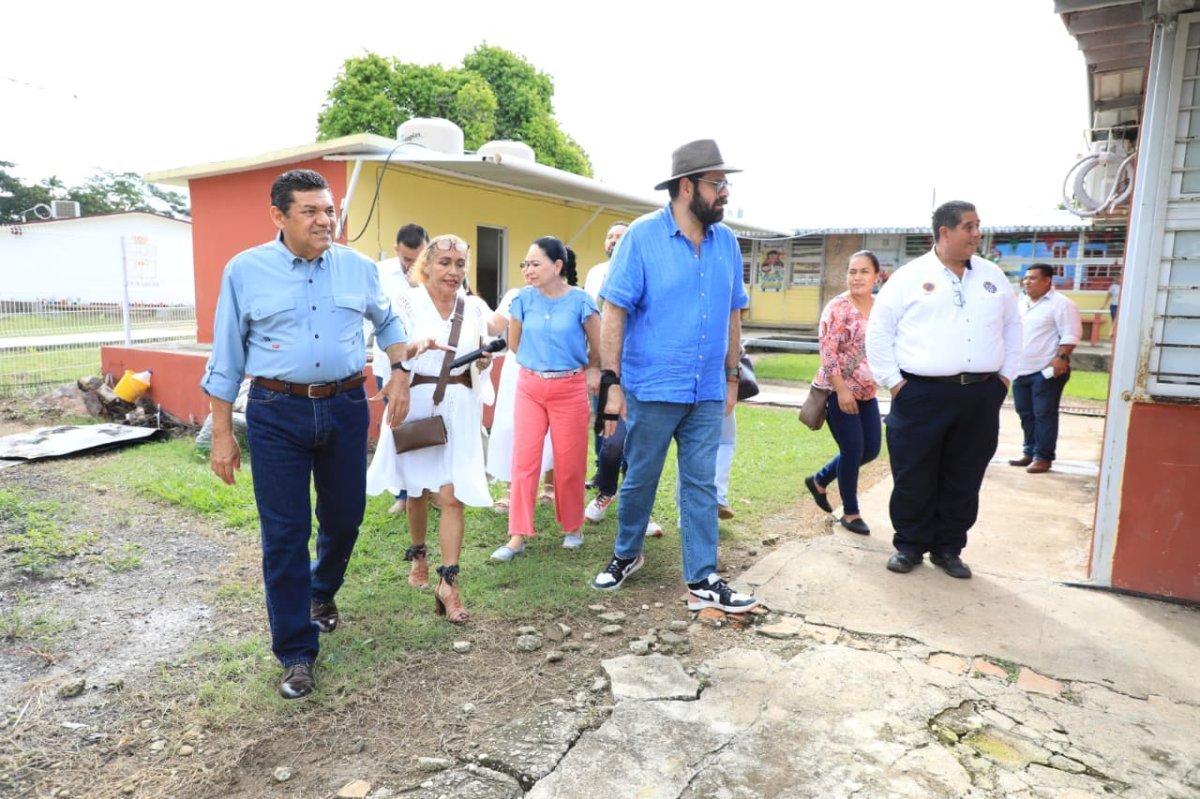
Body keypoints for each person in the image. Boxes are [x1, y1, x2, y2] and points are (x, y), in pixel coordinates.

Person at [202, 168, 433, 699]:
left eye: (329, 210)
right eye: (310, 211)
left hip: (346, 405)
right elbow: (226, 356)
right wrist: (221, 433)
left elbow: (388, 323)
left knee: (346, 517)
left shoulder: (357, 268)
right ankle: (296, 652)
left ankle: (321, 589)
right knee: (285, 533)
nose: (325, 220)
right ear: (278, 216)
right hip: (275, 410)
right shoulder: (245, 271)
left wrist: (399, 372)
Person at [590, 139, 758, 614]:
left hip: (707, 389)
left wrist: (732, 375)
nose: (725, 192)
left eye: (725, 184)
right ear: (687, 186)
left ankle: (703, 577)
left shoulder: (727, 243)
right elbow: (614, 310)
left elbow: (734, 312)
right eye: (716, 184)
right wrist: (612, 382)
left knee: (701, 483)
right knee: (640, 477)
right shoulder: (642, 237)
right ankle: (627, 553)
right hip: (653, 386)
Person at [866, 200, 1021, 580]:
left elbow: (1013, 327)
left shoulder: (992, 276)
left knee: (964, 475)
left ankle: (949, 548)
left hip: (980, 395)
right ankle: (909, 545)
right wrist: (895, 383)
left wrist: (1004, 379)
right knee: (914, 473)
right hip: (921, 395)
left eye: (978, 225)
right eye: (969, 226)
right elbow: (880, 331)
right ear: (945, 232)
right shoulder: (909, 276)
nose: (977, 234)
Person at [366, 234, 495, 623]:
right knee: (417, 489)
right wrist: (413, 348)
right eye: (445, 262)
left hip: (460, 409)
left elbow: (481, 352)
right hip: (416, 403)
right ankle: (418, 553)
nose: (453, 271)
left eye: (460, 264)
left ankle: (449, 585)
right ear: (427, 264)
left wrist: (482, 362)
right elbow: (386, 359)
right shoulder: (406, 302)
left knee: (452, 497)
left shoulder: (473, 308)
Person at [491, 236, 600, 560]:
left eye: (535, 264)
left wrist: (579, 370)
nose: (528, 270)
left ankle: (573, 527)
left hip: (570, 388)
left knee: (569, 462)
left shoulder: (581, 301)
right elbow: (514, 344)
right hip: (530, 387)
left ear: (557, 265)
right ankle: (517, 535)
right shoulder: (522, 300)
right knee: (524, 461)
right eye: (525, 264)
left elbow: (597, 347)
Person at [804, 251, 883, 535]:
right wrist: (842, 391)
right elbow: (828, 353)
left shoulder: (881, 307)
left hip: (868, 392)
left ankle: (819, 480)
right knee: (852, 450)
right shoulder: (837, 307)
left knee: (871, 450)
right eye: (852, 271)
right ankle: (851, 512)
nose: (857, 277)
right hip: (839, 391)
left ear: (877, 276)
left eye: (864, 271)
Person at [370, 224, 429, 514]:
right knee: (398, 426)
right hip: (390, 365)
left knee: (427, 426)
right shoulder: (379, 273)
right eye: (407, 259)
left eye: (419, 258)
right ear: (396, 251)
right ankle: (404, 493)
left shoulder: (437, 272)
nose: (413, 265)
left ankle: (428, 488)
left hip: (428, 365)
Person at [1008, 264, 1082, 474]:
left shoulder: (1061, 304)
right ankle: (1029, 452)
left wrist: (1061, 358)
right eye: (1025, 278)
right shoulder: (1021, 303)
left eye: (1032, 278)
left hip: (1046, 371)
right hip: (1021, 370)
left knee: (1044, 414)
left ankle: (1043, 457)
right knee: (1025, 413)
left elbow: (1071, 334)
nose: (1026, 282)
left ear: (1047, 280)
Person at [582, 221, 629, 304]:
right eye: (609, 237)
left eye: (619, 237)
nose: (613, 241)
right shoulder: (595, 272)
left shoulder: (638, 272)